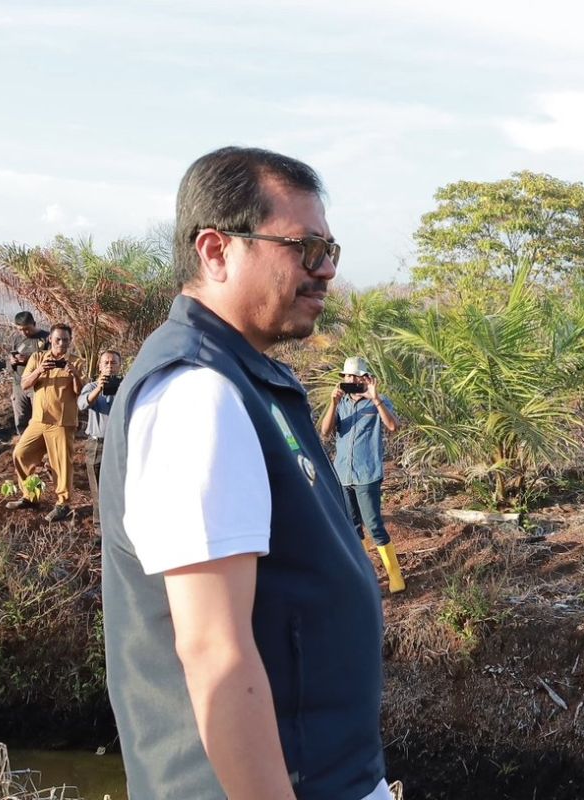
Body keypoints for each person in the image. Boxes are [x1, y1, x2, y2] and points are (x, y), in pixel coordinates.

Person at [99, 146, 391, 800]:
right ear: (216, 251)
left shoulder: (245, 379)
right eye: (305, 248)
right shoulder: (196, 396)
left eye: (332, 250)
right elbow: (214, 655)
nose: (326, 272)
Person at [320, 356, 404, 593]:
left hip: (367, 474)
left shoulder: (378, 402)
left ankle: (395, 574)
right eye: (347, 376)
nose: (351, 380)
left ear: (366, 378)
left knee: (374, 525)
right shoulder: (342, 403)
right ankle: (364, 575)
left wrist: (376, 399)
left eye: (356, 376)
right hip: (343, 474)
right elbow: (326, 432)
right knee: (352, 526)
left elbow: (393, 427)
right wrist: (333, 403)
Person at [6, 323, 82, 522]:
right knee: (21, 454)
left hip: (62, 422)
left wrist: (74, 373)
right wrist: (39, 370)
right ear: (50, 339)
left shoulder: (77, 362)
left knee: (61, 465)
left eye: (65, 340)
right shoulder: (38, 358)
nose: (61, 343)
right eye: (58, 339)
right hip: (38, 420)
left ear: (70, 341)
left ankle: (63, 504)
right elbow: (24, 384)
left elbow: (80, 392)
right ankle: (31, 496)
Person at [77, 349, 122, 526]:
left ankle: (118, 527)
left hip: (119, 443)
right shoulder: (91, 387)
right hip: (97, 444)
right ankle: (99, 528)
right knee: (97, 488)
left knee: (119, 486)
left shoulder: (126, 386)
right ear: (100, 366)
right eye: (106, 363)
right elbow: (82, 404)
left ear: (119, 366)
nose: (110, 367)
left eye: (114, 363)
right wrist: (100, 389)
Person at [7, 311, 49, 436]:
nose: (24, 332)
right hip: (18, 384)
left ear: (34, 324)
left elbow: (52, 360)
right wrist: (12, 361)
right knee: (21, 418)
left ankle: (40, 446)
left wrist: (29, 360)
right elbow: (10, 357)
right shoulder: (17, 339)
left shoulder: (47, 338)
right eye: (20, 330)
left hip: (38, 385)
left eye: (27, 329)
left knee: (38, 418)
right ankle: (22, 443)